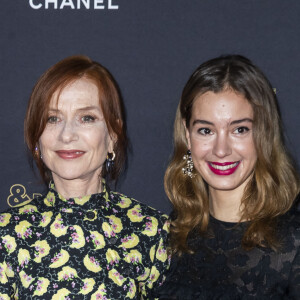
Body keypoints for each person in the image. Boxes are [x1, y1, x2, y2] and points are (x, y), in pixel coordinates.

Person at [0, 55, 169, 299]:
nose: (67, 134)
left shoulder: (152, 232)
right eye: (53, 118)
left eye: (86, 118)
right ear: (37, 136)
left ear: (112, 134)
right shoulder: (7, 235)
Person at [157, 55, 300, 299]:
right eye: (206, 130)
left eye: (239, 130)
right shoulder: (176, 231)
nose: (221, 149)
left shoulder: (293, 240)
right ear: (187, 135)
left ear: (263, 132)